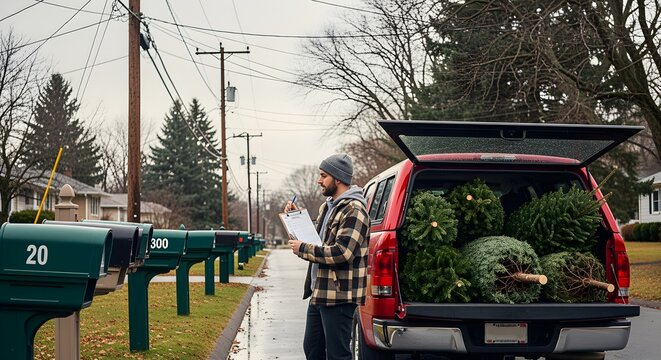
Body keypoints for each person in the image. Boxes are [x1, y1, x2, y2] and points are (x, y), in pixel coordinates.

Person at [284, 153, 370, 360]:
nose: (319, 180)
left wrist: (303, 248)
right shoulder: (328, 207)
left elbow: (343, 252)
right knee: (312, 349)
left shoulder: (355, 210)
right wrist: (296, 217)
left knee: (337, 355)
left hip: (340, 295)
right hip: (320, 291)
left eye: (323, 176)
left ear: (338, 178)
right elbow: (319, 240)